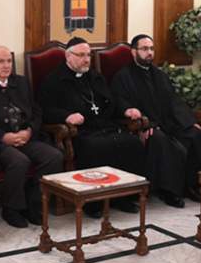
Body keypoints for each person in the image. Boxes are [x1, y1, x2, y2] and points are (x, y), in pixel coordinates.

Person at [38, 37, 146, 216]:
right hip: (80, 133)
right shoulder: (54, 80)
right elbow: (45, 109)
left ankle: (123, 198)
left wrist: (126, 110)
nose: (86, 59)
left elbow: (112, 99)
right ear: (68, 56)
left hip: (104, 126)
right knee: (95, 147)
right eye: (81, 55)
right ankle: (93, 203)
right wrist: (66, 116)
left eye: (88, 55)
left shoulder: (95, 76)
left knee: (131, 143)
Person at [0, 45, 64, 227]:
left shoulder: (22, 82)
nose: (6, 65)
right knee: (19, 161)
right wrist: (2, 137)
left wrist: (29, 131)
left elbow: (36, 111)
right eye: (1, 61)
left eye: (9, 61)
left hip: (25, 137)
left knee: (54, 156)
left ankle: (33, 205)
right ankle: (12, 209)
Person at [110, 34, 201, 207]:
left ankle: (192, 186)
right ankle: (169, 191)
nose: (149, 52)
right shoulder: (123, 77)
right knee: (159, 139)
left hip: (168, 122)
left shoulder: (160, 75)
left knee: (195, 134)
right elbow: (120, 103)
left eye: (151, 48)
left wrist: (188, 121)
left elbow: (174, 101)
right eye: (144, 49)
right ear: (133, 52)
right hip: (146, 126)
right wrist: (144, 124)